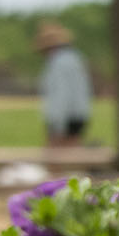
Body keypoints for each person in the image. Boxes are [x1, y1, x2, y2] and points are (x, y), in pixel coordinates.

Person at [36, 19, 92, 148]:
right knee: (74, 153)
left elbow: (62, 94)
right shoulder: (76, 58)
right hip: (78, 114)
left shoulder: (59, 63)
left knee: (56, 156)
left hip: (64, 117)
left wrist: (57, 125)